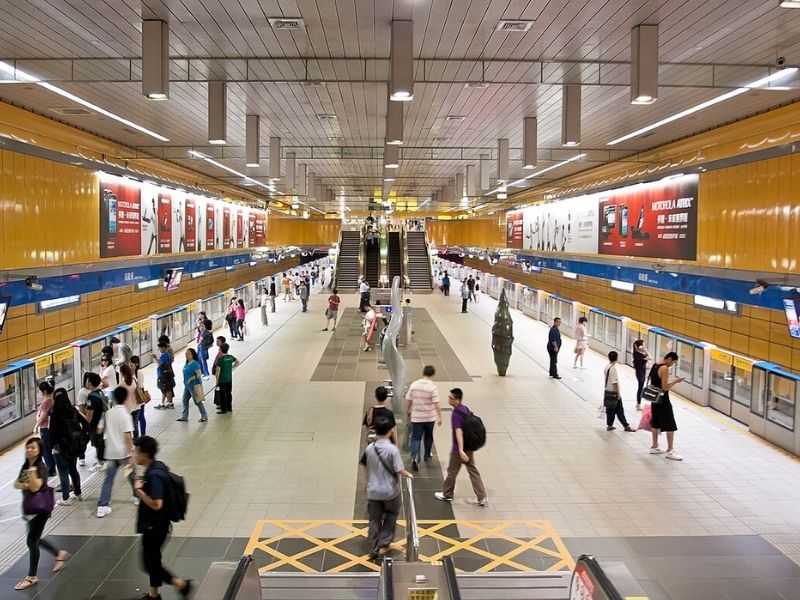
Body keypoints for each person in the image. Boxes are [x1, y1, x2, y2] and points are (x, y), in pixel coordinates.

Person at [132, 435, 192, 599]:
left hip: (155, 526)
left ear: (145, 454)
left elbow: (157, 504)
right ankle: (153, 595)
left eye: (135, 451)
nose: (133, 454)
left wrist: (139, 491)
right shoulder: (157, 466)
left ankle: (181, 584)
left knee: (148, 564)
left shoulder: (155, 475)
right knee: (154, 559)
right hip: (160, 524)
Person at [13, 437, 69, 591]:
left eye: (33, 448)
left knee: (31, 540)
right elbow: (17, 484)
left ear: (39, 451)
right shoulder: (27, 465)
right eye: (28, 447)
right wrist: (27, 482)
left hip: (39, 509)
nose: (29, 450)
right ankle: (59, 553)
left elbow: (36, 487)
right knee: (35, 539)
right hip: (29, 507)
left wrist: (29, 479)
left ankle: (32, 576)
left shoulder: (40, 467)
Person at [364, 415, 413, 560]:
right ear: (390, 431)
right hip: (390, 491)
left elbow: (368, 469)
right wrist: (409, 475)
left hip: (373, 491)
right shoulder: (392, 450)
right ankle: (384, 541)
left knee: (374, 519)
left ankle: (373, 548)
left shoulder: (369, 448)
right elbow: (399, 470)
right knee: (391, 515)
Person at [434, 388, 487, 506]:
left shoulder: (456, 414)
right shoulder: (465, 409)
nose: (449, 399)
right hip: (469, 447)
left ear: (457, 401)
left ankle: (447, 494)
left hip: (459, 450)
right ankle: (482, 497)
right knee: (473, 470)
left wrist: (460, 450)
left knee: (452, 471)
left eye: (451, 398)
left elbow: (459, 432)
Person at [96, 386, 135, 518]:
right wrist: (131, 454)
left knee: (109, 479)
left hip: (111, 453)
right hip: (124, 454)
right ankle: (138, 497)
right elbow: (128, 437)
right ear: (125, 398)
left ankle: (102, 506)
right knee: (131, 475)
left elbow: (99, 430)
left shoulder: (108, 413)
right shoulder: (125, 414)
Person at [49, 388, 87, 506]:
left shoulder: (55, 414)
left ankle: (66, 498)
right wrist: (82, 438)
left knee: (63, 471)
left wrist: (53, 446)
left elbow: (52, 433)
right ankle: (78, 493)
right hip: (73, 446)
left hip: (60, 447)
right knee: (73, 470)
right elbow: (86, 424)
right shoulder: (73, 411)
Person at [405, 365, 442, 471]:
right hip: (430, 417)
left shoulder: (414, 385)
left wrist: (407, 410)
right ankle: (427, 455)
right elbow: (436, 403)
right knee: (428, 436)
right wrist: (439, 416)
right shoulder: (432, 387)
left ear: (423, 372)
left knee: (416, 438)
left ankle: (415, 458)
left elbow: (408, 400)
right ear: (433, 374)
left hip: (416, 417)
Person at [649, 352, 684, 460]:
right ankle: (670, 450)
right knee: (670, 424)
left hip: (654, 399)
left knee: (655, 422)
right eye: (673, 362)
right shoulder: (664, 368)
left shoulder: (655, 365)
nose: (672, 365)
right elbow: (664, 387)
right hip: (663, 400)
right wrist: (676, 382)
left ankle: (654, 446)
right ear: (669, 359)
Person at [604, 351, 635, 432]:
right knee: (620, 410)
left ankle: (610, 425)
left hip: (607, 391)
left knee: (610, 410)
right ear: (616, 358)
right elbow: (615, 383)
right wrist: (618, 394)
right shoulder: (613, 369)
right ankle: (626, 426)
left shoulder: (607, 367)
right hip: (614, 393)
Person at [83, 373, 107, 472]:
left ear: (90, 383)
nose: (86, 382)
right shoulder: (100, 392)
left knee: (97, 443)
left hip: (95, 424)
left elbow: (90, 414)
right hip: (102, 421)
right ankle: (102, 461)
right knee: (100, 442)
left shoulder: (91, 397)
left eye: (88, 380)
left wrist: (85, 425)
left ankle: (101, 463)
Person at [177, 348, 208, 423]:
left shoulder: (195, 364)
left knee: (197, 401)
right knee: (184, 400)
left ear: (192, 355)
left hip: (194, 385)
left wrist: (191, 379)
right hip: (187, 386)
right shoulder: (187, 363)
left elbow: (199, 374)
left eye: (188, 354)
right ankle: (184, 416)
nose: (186, 355)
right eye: (186, 354)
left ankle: (204, 415)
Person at [34, 381, 56, 476]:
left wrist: (35, 426)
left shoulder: (46, 402)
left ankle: (51, 469)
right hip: (52, 428)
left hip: (45, 428)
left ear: (45, 391)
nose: (41, 392)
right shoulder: (53, 399)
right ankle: (53, 467)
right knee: (51, 448)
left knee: (46, 450)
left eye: (41, 391)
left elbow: (42, 417)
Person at [214, 343, 239, 414]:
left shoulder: (220, 359)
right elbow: (237, 361)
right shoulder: (230, 357)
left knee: (222, 394)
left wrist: (217, 380)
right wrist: (232, 367)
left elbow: (218, 371)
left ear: (221, 350)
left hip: (222, 380)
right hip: (229, 379)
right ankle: (229, 407)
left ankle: (224, 409)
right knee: (228, 393)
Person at [119, 364, 141, 438]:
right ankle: (136, 441)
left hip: (126, 409)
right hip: (136, 406)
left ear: (122, 373)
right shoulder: (134, 380)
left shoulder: (122, 384)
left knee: (127, 428)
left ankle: (129, 442)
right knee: (135, 426)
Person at [153, 341, 175, 410]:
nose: (159, 350)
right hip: (165, 375)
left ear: (163, 348)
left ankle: (170, 403)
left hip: (163, 375)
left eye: (160, 348)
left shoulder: (165, 355)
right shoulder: (167, 354)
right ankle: (163, 403)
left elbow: (160, 364)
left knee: (167, 389)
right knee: (164, 389)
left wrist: (155, 358)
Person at [633, 339, 652, 411]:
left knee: (640, 388)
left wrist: (643, 350)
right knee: (640, 388)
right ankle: (638, 404)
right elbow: (650, 357)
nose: (644, 346)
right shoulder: (639, 355)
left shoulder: (637, 354)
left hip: (640, 372)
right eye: (643, 345)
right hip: (640, 373)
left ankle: (638, 403)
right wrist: (645, 350)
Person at [131, 355, 148, 436]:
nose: (130, 365)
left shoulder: (139, 373)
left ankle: (143, 434)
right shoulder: (130, 373)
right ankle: (136, 435)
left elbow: (140, 386)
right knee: (134, 419)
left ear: (136, 364)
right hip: (132, 400)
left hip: (139, 398)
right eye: (130, 363)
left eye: (132, 364)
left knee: (141, 417)